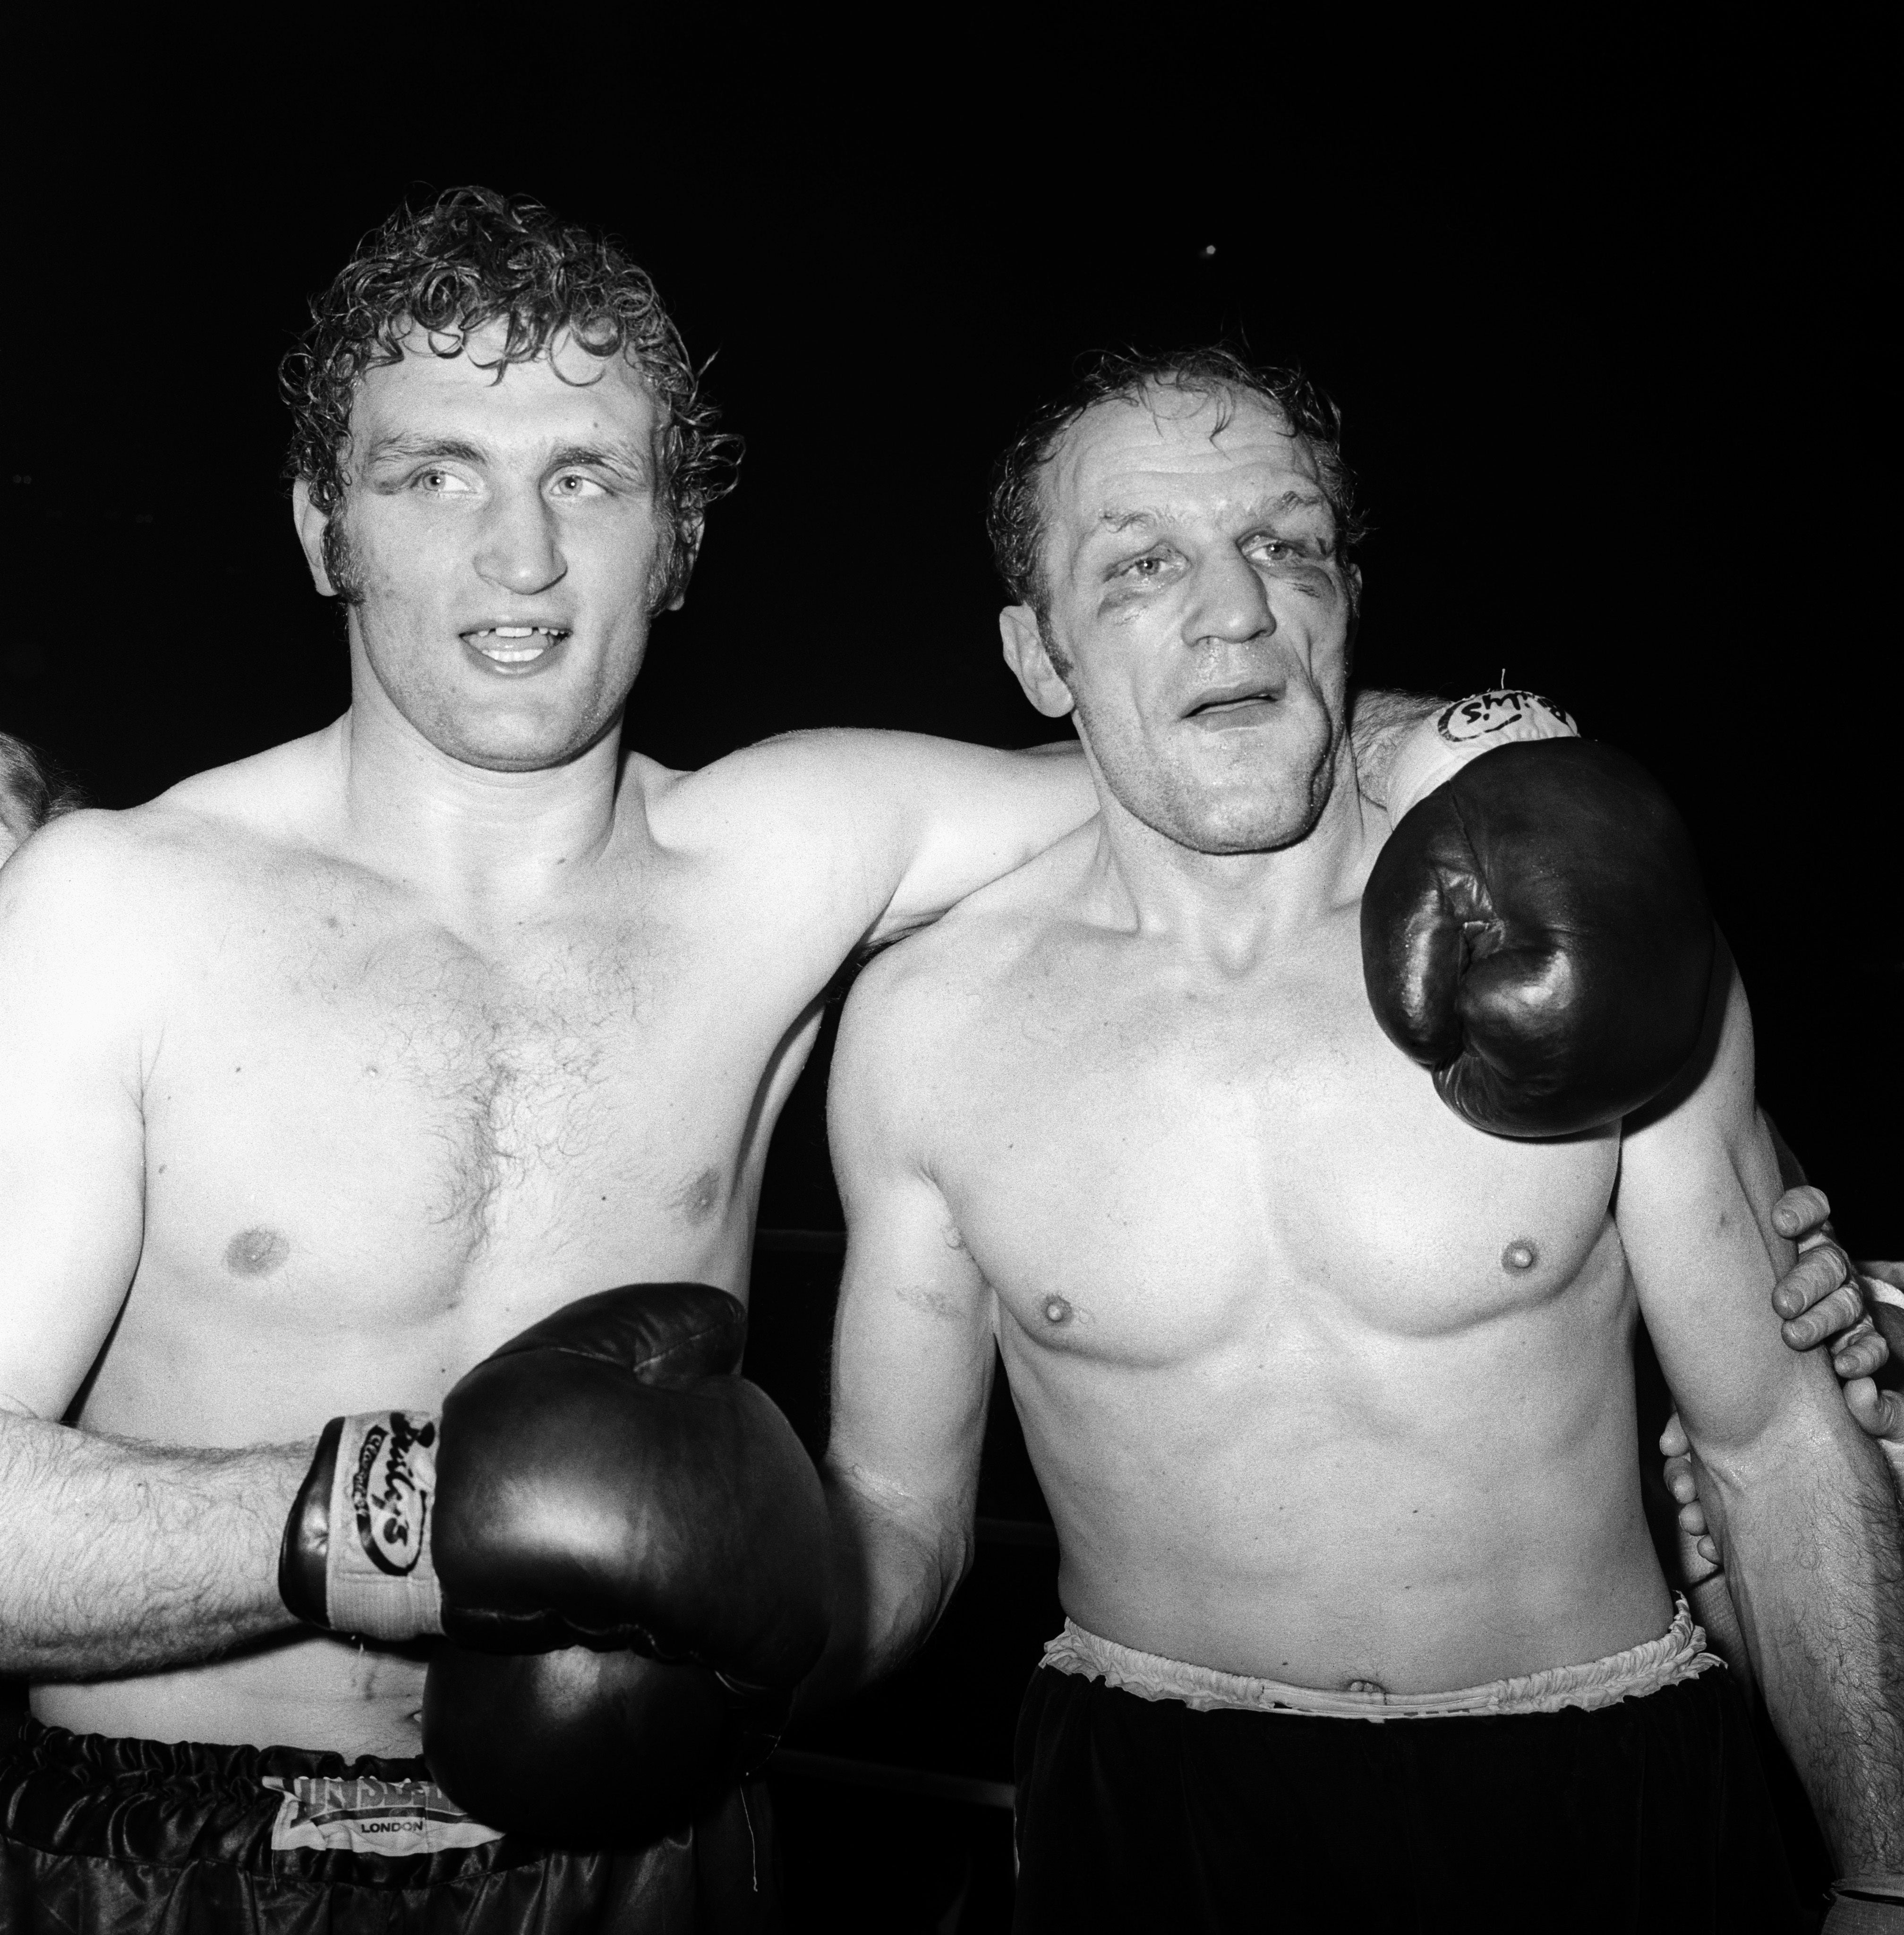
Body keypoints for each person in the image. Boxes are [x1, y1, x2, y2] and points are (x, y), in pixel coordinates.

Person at [0, 188, 1121, 1932]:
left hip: (649, 1859)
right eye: (433, 472)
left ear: (677, 537)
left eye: (585, 479)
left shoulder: (788, 858)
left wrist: (1490, 747)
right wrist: (404, 1525)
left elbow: (1217, 763)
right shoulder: (120, 905)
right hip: (175, 1863)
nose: (518, 557)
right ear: (323, 529)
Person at [813, 348, 1904, 1931]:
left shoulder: (1595, 925)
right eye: (1139, 565)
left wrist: (1886, 1872)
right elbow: (902, 1513)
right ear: (1037, 658)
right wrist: (721, 1634)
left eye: (1285, 544)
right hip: (1153, 1799)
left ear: (1346, 594)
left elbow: (1776, 1441)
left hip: (1598, 1787)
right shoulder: (933, 1023)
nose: (1235, 609)